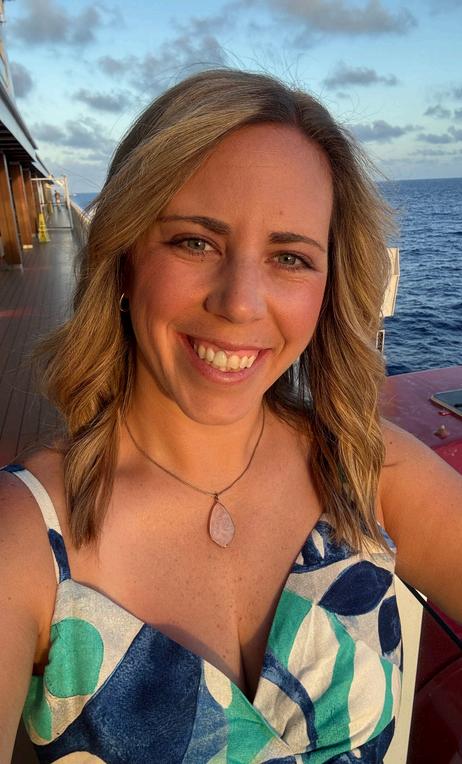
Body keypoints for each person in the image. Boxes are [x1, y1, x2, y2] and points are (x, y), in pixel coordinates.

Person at [1, 68, 461, 764]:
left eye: (290, 257)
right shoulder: (25, 540)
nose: (240, 303)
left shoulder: (366, 466)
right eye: (195, 242)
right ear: (124, 259)